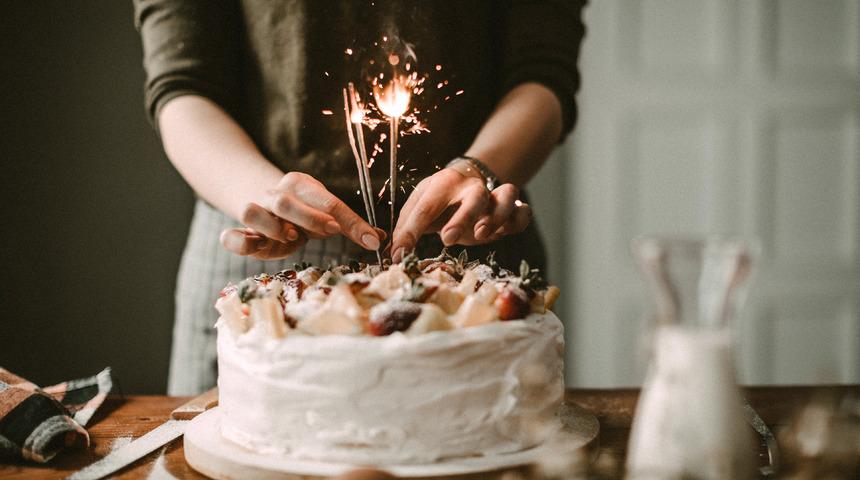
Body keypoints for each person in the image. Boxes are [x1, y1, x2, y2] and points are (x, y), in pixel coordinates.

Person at [134, 0, 585, 395]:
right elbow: (182, 82)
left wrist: (479, 170)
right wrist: (265, 195)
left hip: (470, 239)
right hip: (260, 241)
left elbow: (542, 70)